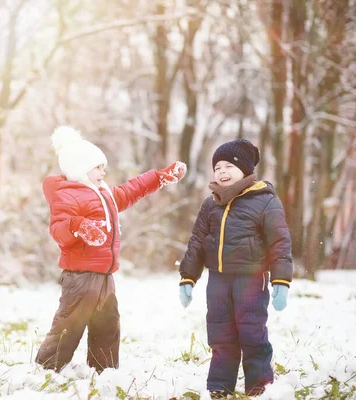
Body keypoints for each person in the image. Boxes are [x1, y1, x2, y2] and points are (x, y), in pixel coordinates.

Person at [36, 126, 186, 373]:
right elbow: (59, 229)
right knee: (69, 324)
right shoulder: (67, 196)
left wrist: (159, 177)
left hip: (105, 275)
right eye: (98, 167)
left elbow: (131, 190)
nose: (103, 172)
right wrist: (79, 225)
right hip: (80, 278)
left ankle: (104, 371)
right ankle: (47, 368)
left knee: (107, 324)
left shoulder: (104, 194)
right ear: (80, 169)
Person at [178, 139, 292, 397]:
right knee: (220, 333)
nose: (222, 172)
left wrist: (281, 281)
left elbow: (279, 243)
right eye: (217, 167)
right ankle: (219, 384)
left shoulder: (265, 201)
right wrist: (188, 277)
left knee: (251, 331)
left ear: (246, 169)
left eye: (229, 165)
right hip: (218, 280)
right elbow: (197, 241)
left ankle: (259, 383)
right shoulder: (211, 204)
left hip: (251, 279)